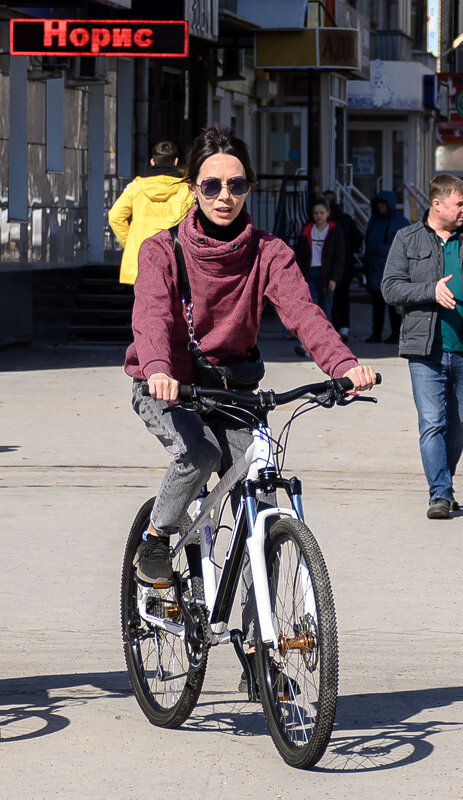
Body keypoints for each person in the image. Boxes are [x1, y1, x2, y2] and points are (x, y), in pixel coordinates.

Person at [124, 125, 377, 583]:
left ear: (249, 188)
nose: (225, 196)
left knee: (261, 493)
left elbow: (303, 312)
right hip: (171, 387)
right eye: (212, 185)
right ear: (193, 189)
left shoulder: (268, 252)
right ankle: (156, 540)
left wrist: (344, 366)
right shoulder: (162, 250)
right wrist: (159, 369)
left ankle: (261, 629)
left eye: (236, 185)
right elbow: (152, 317)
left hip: (234, 390)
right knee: (198, 454)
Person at [381, 174, 463, 520]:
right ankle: (439, 494)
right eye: (460, 203)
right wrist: (429, 290)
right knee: (432, 422)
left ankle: (445, 480)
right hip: (424, 350)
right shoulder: (407, 239)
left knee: (459, 423)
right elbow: (390, 288)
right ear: (436, 204)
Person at [108, 141, 196, 285]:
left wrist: (131, 244)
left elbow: (115, 216)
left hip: (140, 262)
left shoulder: (136, 187)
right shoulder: (186, 189)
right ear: (176, 161)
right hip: (174, 260)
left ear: (152, 161)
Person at [363, 191, 409, 343]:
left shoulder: (399, 221)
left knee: (393, 305)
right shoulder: (374, 220)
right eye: (378, 203)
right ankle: (376, 333)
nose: (380, 206)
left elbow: (402, 246)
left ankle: (396, 334)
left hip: (391, 270)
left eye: (383, 203)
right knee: (377, 305)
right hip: (375, 269)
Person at [293, 196, 346, 323]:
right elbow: (299, 255)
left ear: (328, 213)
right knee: (307, 307)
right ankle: (307, 340)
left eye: (322, 213)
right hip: (309, 273)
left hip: (326, 274)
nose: (319, 216)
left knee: (325, 309)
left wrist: (335, 278)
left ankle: (325, 340)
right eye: (316, 213)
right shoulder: (306, 230)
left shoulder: (334, 231)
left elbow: (340, 257)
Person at [322, 189, 363, 341]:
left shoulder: (326, 221)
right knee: (343, 297)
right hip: (346, 264)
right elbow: (358, 238)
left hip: (328, 265)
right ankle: (344, 326)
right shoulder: (346, 219)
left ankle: (331, 326)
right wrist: (351, 249)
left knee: (328, 298)